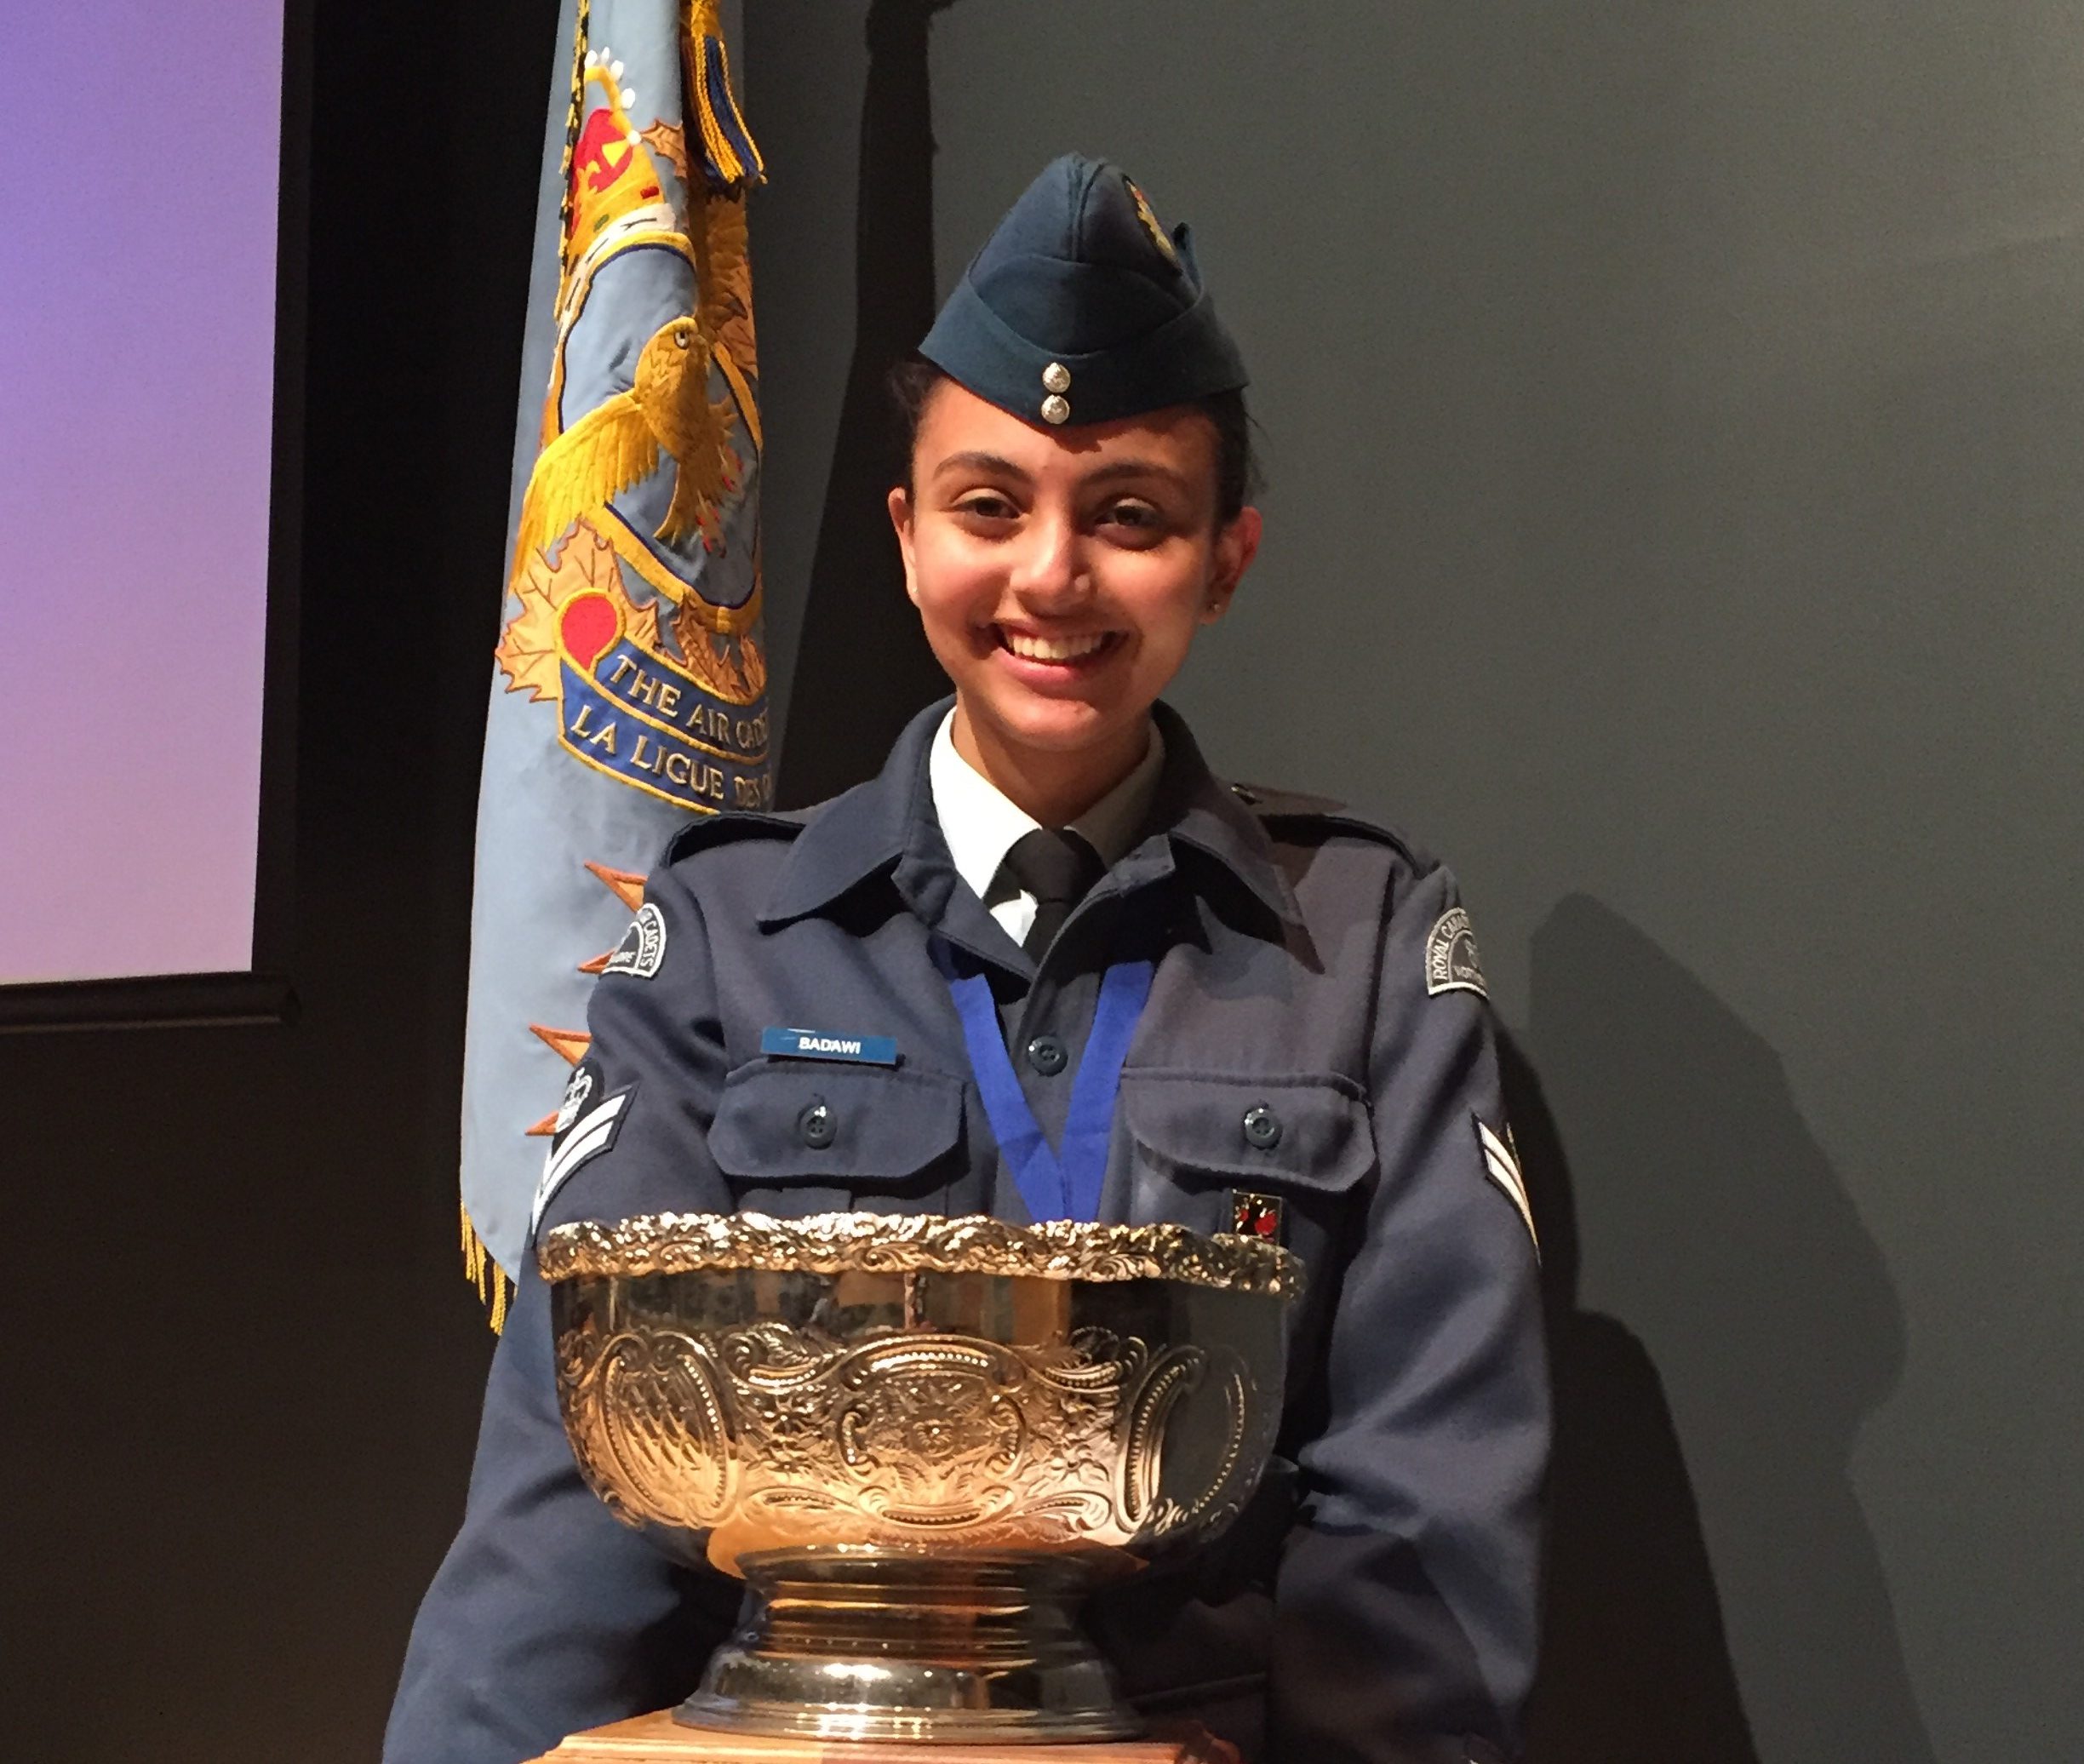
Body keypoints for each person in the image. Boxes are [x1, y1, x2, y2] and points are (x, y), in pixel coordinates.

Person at [386, 154, 1548, 1764]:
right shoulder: (725, 937)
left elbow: (1423, 1514)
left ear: (1225, 559)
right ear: (909, 535)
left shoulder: (1364, 944)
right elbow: (574, 1494)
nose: (1052, 576)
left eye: (1130, 515)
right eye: (989, 507)